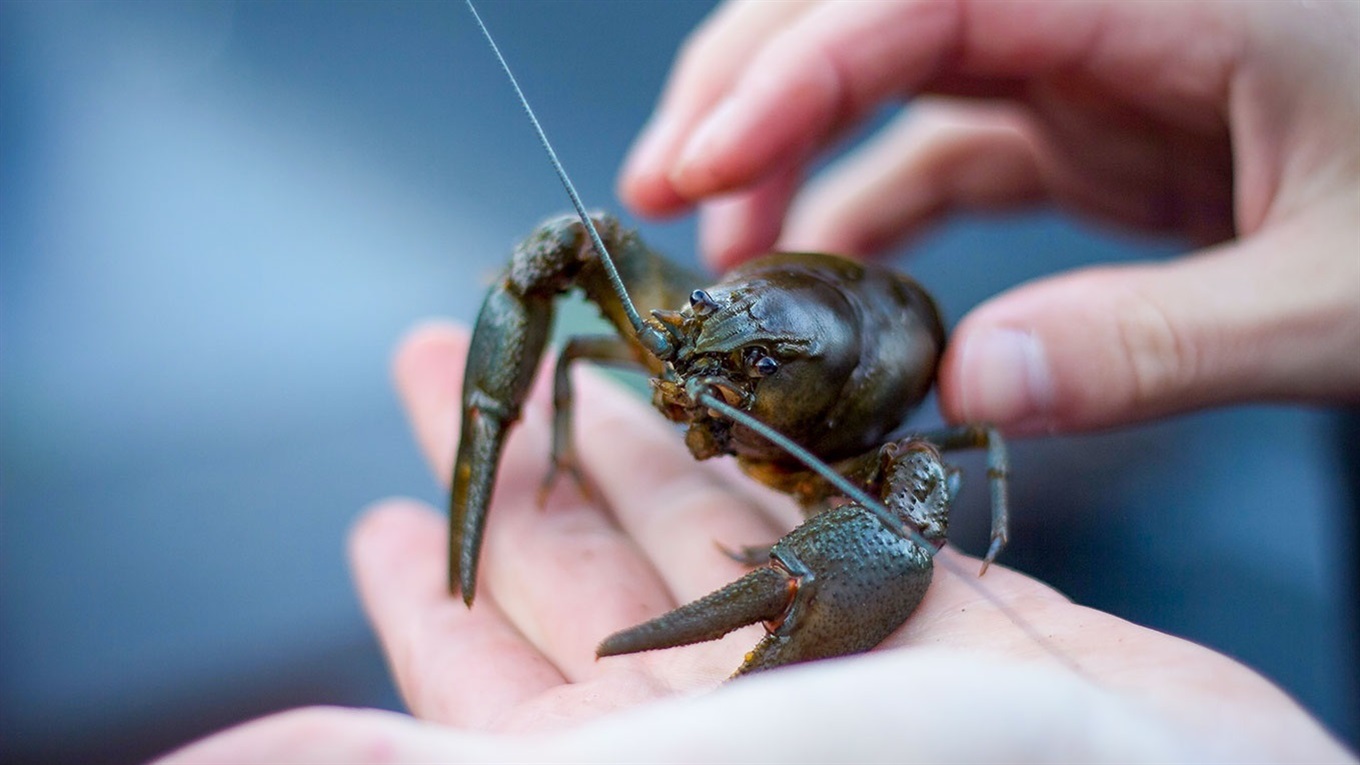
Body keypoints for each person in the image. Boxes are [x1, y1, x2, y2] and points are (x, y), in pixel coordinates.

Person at [158, 1, 1358, 762]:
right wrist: (519, 423)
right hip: (786, 316)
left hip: (851, 397)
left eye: (733, 359)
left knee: (906, 517)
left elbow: (932, 490)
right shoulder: (701, 328)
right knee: (565, 247)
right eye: (700, 334)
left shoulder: (878, 448)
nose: (680, 372)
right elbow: (567, 264)